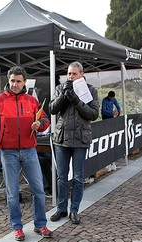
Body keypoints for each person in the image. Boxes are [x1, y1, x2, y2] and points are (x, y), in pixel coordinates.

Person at [0, 66, 53, 241]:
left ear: (24, 82)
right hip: (8, 152)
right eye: (12, 80)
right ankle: (17, 227)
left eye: (18, 81)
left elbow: (45, 119)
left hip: (30, 151)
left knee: (39, 189)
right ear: (9, 80)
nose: (15, 84)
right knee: (13, 192)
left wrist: (40, 125)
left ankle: (40, 224)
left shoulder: (32, 101)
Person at [49, 61, 99, 225]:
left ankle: (74, 210)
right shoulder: (60, 88)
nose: (70, 76)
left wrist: (77, 101)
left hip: (80, 139)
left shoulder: (90, 90)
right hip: (62, 139)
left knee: (78, 178)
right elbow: (52, 109)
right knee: (62, 176)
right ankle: (62, 208)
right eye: (69, 74)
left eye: (74, 74)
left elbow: (93, 114)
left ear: (82, 74)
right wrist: (64, 95)